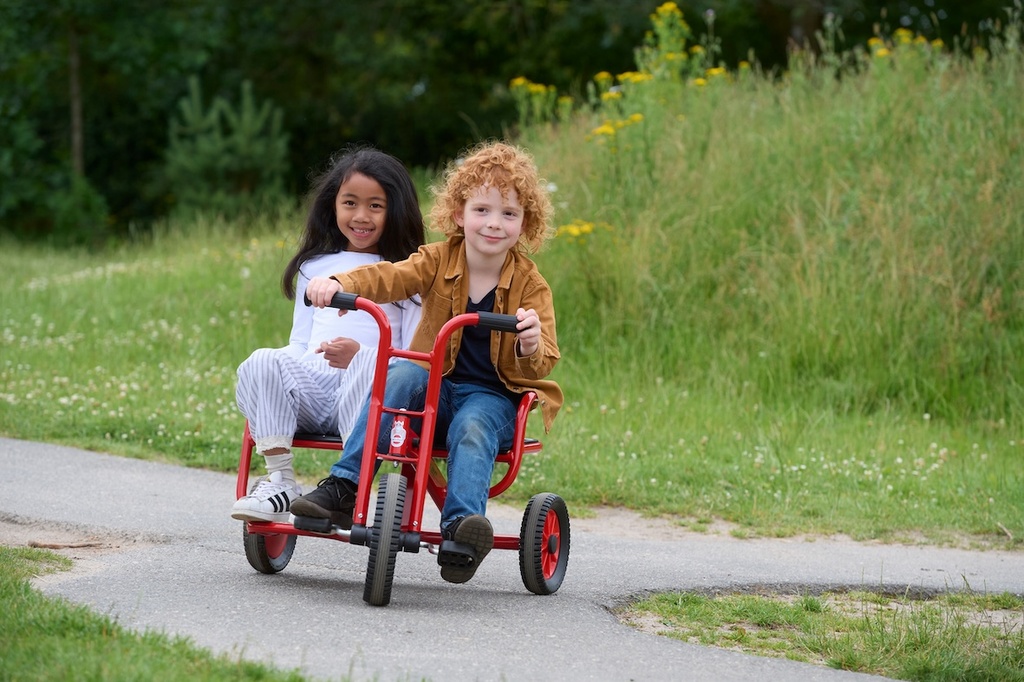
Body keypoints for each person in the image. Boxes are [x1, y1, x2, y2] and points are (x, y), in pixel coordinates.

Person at [296, 140, 563, 584]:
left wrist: (530, 343)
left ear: (525, 223)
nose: (493, 224)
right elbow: (390, 276)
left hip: (491, 398)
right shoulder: (437, 260)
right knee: (400, 370)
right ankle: (344, 485)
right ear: (459, 214)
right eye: (482, 210)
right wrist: (339, 280)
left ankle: (461, 528)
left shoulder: (532, 285)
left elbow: (543, 363)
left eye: (508, 214)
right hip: (431, 387)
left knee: (472, 427)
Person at [232, 146, 425, 523]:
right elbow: (300, 343)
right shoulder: (315, 267)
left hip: (367, 395)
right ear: (333, 204)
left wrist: (359, 355)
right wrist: (292, 369)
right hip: (315, 388)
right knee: (263, 360)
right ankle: (281, 479)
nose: (360, 216)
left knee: (376, 362)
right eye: (350, 203)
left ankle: (349, 484)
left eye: (375, 206)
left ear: (396, 210)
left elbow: (410, 359)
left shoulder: (410, 273)